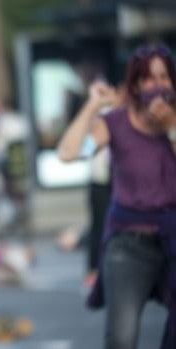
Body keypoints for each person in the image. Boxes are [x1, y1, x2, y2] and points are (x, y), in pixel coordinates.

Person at [58, 44, 176, 349]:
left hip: (172, 237)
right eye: (148, 79)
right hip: (128, 244)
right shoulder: (117, 123)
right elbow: (70, 152)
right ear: (136, 84)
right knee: (122, 339)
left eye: (164, 77)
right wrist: (93, 105)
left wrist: (171, 128)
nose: (158, 85)